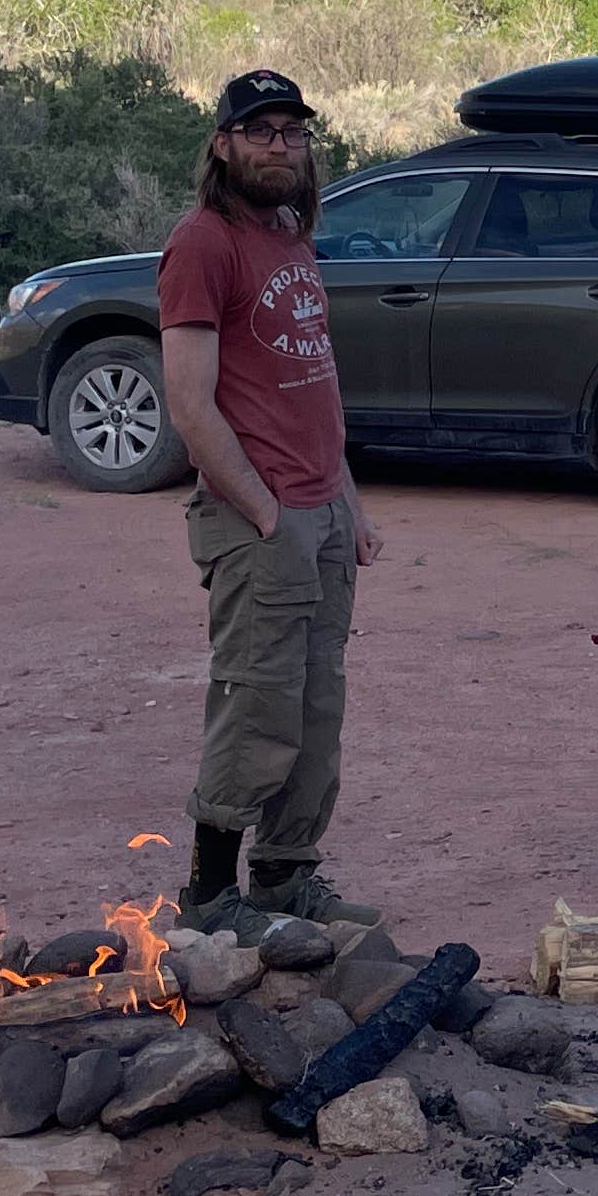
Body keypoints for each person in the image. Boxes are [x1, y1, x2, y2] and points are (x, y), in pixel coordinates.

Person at [158, 69, 385, 927]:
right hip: (265, 518)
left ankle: (286, 876)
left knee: (316, 708)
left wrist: (348, 505)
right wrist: (259, 508)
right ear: (223, 144)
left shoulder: (290, 236)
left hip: (320, 510)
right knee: (256, 702)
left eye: (292, 132)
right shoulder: (203, 243)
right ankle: (212, 896)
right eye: (260, 132)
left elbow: (312, 386)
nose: (279, 146)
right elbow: (190, 401)